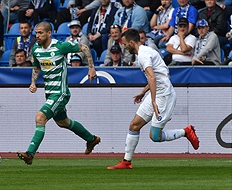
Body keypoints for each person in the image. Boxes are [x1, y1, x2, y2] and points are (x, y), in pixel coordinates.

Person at [107, 29, 199, 170]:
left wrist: (154, 101)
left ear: (132, 43)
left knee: (155, 136)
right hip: (156, 94)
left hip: (164, 97)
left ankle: (185, 131)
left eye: (125, 44)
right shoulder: (146, 51)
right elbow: (157, 76)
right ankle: (126, 161)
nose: (124, 47)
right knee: (134, 125)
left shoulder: (143, 55)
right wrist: (144, 92)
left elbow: (152, 77)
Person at [16, 21, 100, 165]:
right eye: (36, 33)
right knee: (63, 122)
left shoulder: (60, 46)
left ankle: (30, 153)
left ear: (49, 33)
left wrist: (91, 68)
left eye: (41, 32)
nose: (38, 35)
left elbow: (84, 47)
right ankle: (91, 139)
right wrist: (33, 82)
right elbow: (36, 68)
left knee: (40, 118)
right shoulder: (36, 49)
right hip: (49, 92)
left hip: (60, 93)